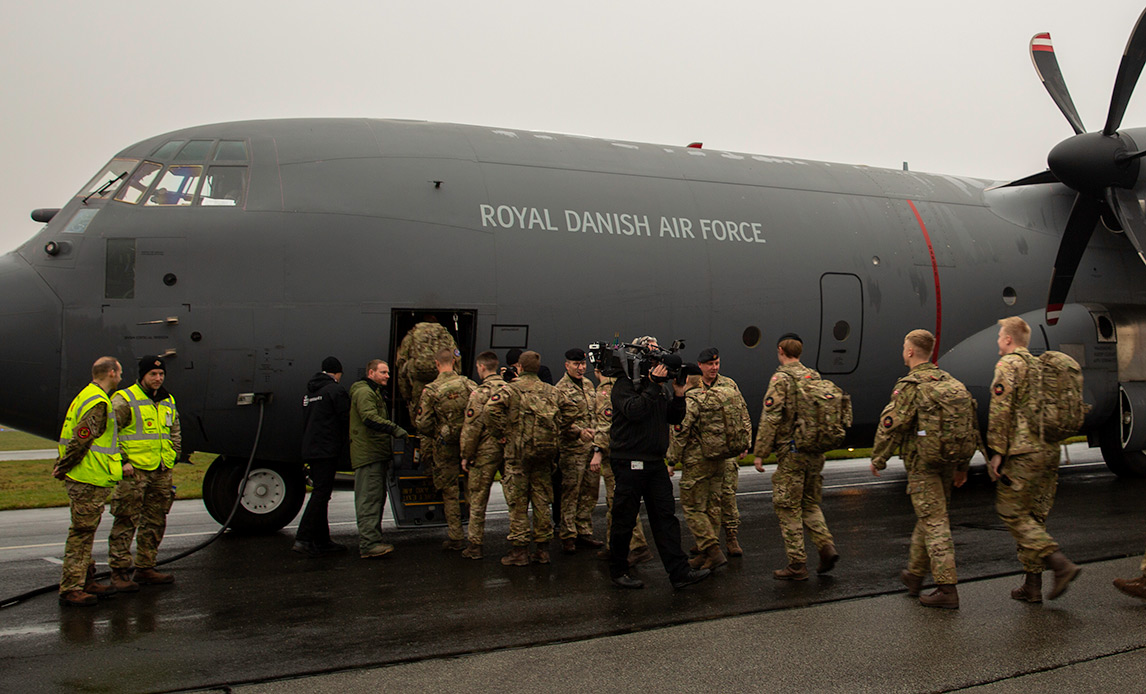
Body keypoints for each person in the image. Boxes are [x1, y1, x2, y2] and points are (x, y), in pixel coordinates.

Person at [593, 336, 710, 590]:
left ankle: (679, 572)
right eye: (653, 357)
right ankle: (618, 570)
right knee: (624, 519)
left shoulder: (659, 388)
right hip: (629, 462)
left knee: (665, 518)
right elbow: (634, 411)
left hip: (655, 463)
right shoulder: (624, 385)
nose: (658, 362)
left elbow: (674, 417)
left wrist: (678, 395)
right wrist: (653, 385)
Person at [870, 330, 968, 609]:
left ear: (911, 351)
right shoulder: (949, 382)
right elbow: (966, 427)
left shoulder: (910, 385)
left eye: (904, 346)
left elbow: (892, 424)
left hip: (923, 464)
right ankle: (914, 575)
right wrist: (962, 466)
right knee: (930, 516)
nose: (903, 350)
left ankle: (947, 588)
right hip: (947, 462)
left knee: (934, 521)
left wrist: (879, 458)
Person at [989, 316, 1080, 601]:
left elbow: (1000, 410)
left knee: (1011, 511)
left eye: (1000, 336)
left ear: (1007, 339)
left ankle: (1059, 563)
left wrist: (996, 452)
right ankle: (1032, 585)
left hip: (1023, 452)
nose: (997, 342)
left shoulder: (1009, 365)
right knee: (1034, 516)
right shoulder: (1041, 365)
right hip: (1049, 449)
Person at [752, 333, 839, 581]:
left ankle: (797, 564)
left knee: (787, 507)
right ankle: (825, 546)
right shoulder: (813, 376)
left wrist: (759, 453)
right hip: (814, 452)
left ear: (780, 350)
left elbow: (771, 417)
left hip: (792, 454)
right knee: (810, 503)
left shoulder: (781, 379)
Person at [53, 357, 128, 606]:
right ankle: (72, 587)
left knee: (86, 531)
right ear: (110, 373)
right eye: (119, 372)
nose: (121, 377)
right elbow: (81, 439)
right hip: (87, 476)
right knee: (82, 534)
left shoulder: (87, 395)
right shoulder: (97, 402)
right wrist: (63, 467)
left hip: (89, 476)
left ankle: (86, 579)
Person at [487, 350, 572, 566]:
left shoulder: (511, 390)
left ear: (520, 368)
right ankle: (543, 549)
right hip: (544, 455)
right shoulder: (551, 391)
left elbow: (490, 410)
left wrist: (502, 433)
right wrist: (556, 428)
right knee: (542, 501)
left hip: (518, 455)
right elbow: (572, 410)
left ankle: (519, 550)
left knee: (518, 503)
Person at [107, 356, 181, 592]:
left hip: (160, 471)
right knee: (126, 520)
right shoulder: (124, 399)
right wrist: (122, 461)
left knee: (156, 519)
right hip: (134, 472)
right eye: (153, 375)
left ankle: (145, 566)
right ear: (142, 375)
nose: (158, 379)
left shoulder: (167, 399)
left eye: (161, 375)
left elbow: (174, 429)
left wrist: (174, 454)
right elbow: (109, 433)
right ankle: (119, 571)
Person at [590, 356, 654, 565]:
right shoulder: (627, 386)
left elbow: (605, 422)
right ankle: (613, 545)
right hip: (624, 450)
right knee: (613, 503)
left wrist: (598, 450)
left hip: (613, 453)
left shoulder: (605, 391)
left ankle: (638, 545)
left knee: (620, 503)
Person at [666, 371, 727, 571]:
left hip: (697, 462)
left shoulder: (690, 402)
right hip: (717, 459)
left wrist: (671, 460)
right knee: (712, 506)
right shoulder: (714, 398)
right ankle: (704, 555)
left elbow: (680, 433)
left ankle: (712, 550)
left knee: (692, 507)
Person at [416, 348, 476, 550]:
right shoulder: (468, 384)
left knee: (449, 491)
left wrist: (439, 430)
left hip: (444, 446)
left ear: (436, 364)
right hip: (468, 443)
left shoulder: (431, 390)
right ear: (454, 362)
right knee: (473, 490)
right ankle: (476, 537)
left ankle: (456, 537)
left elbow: (422, 424)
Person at [696, 347, 752, 557]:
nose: (714, 368)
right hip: (704, 452)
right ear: (700, 365)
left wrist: (745, 441)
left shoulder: (729, 384)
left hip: (727, 451)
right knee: (705, 498)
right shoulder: (695, 386)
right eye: (710, 364)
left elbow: (742, 412)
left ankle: (731, 538)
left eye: (717, 364)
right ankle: (708, 541)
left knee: (727, 496)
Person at [349, 359, 408, 559]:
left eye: (388, 373)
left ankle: (373, 540)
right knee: (369, 499)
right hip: (369, 454)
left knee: (375, 498)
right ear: (371, 372)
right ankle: (369, 544)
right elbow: (369, 417)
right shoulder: (365, 392)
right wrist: (394, 429)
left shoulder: (372, 392)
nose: (387, 376)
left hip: (374, 453)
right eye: (383, 372)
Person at [294, 356, 350, 557]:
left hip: (311, 448)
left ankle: (322, 539)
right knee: (321, 494)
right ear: (337, 373)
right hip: (327, 449)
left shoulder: (310, 393)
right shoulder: (335, 390)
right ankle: (304, 537)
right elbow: (346, 418)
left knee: (321, 493)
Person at [459, 351, 508, 559]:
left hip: (485, 452)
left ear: (481, 367)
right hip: (507, 450)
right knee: (514, 497)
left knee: (478, 499)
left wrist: (466, 454)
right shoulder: (509, 389)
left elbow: (472, 427)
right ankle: (519, 543)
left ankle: (475, 545)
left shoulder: (480, 393)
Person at [555, 348, 604, 553]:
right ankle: (568, 535)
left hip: (590, 448)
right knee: (570, 493)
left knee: (590, 492)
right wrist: (577, 432)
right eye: (576, 364)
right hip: (572, 449)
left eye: (583, 364)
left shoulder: (588, 384)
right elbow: (559, 420)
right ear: (567, 365)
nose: (581, 368)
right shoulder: (560, 389)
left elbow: (594, 414)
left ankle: (584, 530)